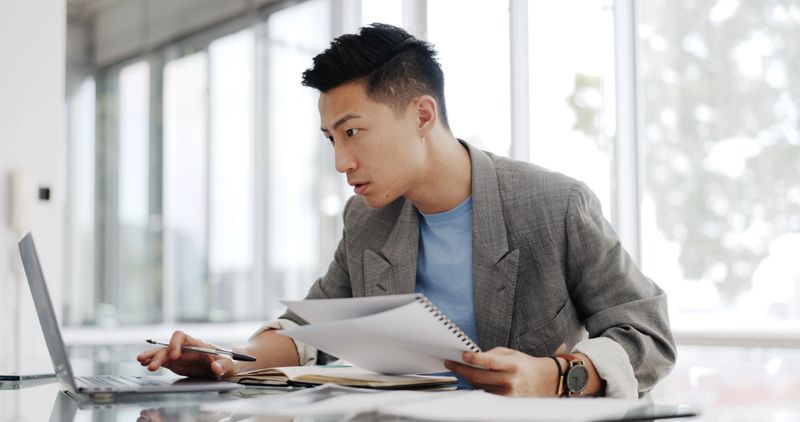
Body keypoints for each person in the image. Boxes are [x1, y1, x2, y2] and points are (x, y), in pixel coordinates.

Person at [138, 23, 675, 398]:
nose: (340, 161)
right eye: (330, 138)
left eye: (352, 132)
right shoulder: (367, 219)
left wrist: (557, 376)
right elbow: (309, 326)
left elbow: (647, 336)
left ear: (422, 114)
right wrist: (229, 359)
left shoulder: (555, 205)